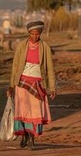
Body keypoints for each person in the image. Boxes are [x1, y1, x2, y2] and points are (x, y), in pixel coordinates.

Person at [8, 20, 56, 149]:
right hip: (22, 83)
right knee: (23, 112)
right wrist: (11, 86)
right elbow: (15, 66)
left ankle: (32, 139)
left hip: (38, 83)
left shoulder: (45, 47)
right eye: (33, 34)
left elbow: (50, 68)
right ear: (29, 33)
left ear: (40, 33)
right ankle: (24, 135)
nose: (35, 36)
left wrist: (52, 87)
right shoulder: (21, 46)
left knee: (35, 114)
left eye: (38, 34)